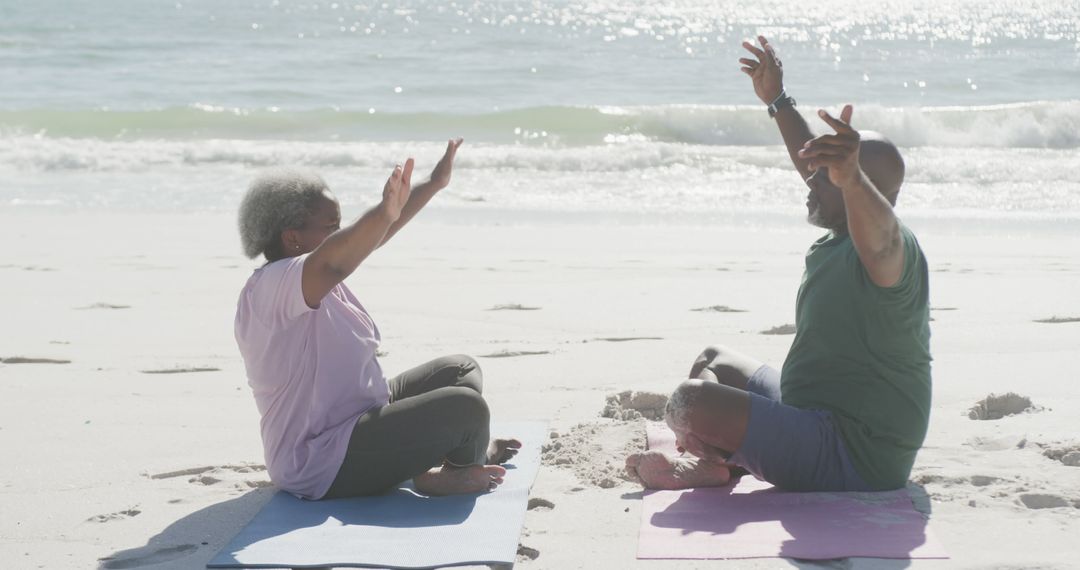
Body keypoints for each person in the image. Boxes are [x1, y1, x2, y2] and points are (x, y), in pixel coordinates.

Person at [626, 37, 932, 492]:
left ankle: (720, 461)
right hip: (809, 411)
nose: (808, 178)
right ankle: (722, 462)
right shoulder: (841, 231)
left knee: (689, 402)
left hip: (855, 451)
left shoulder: (891, 253)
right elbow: (812, 159)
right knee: (714, 360)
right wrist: (778, 100)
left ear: (854, 187)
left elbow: (881, 238)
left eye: (825, 174)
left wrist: (849, 178)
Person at [234, 139, 521, 500]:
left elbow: (372, 237)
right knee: (467, 409)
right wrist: (384, 212)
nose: (343, 233)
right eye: (332, 226)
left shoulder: (312, 278)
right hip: (319, 460)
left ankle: (453, 457)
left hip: (362, 414)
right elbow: (341, 254)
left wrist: (433, 183)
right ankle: (453, 472)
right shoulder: (274, 286)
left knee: (460, 370)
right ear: (292, 237)